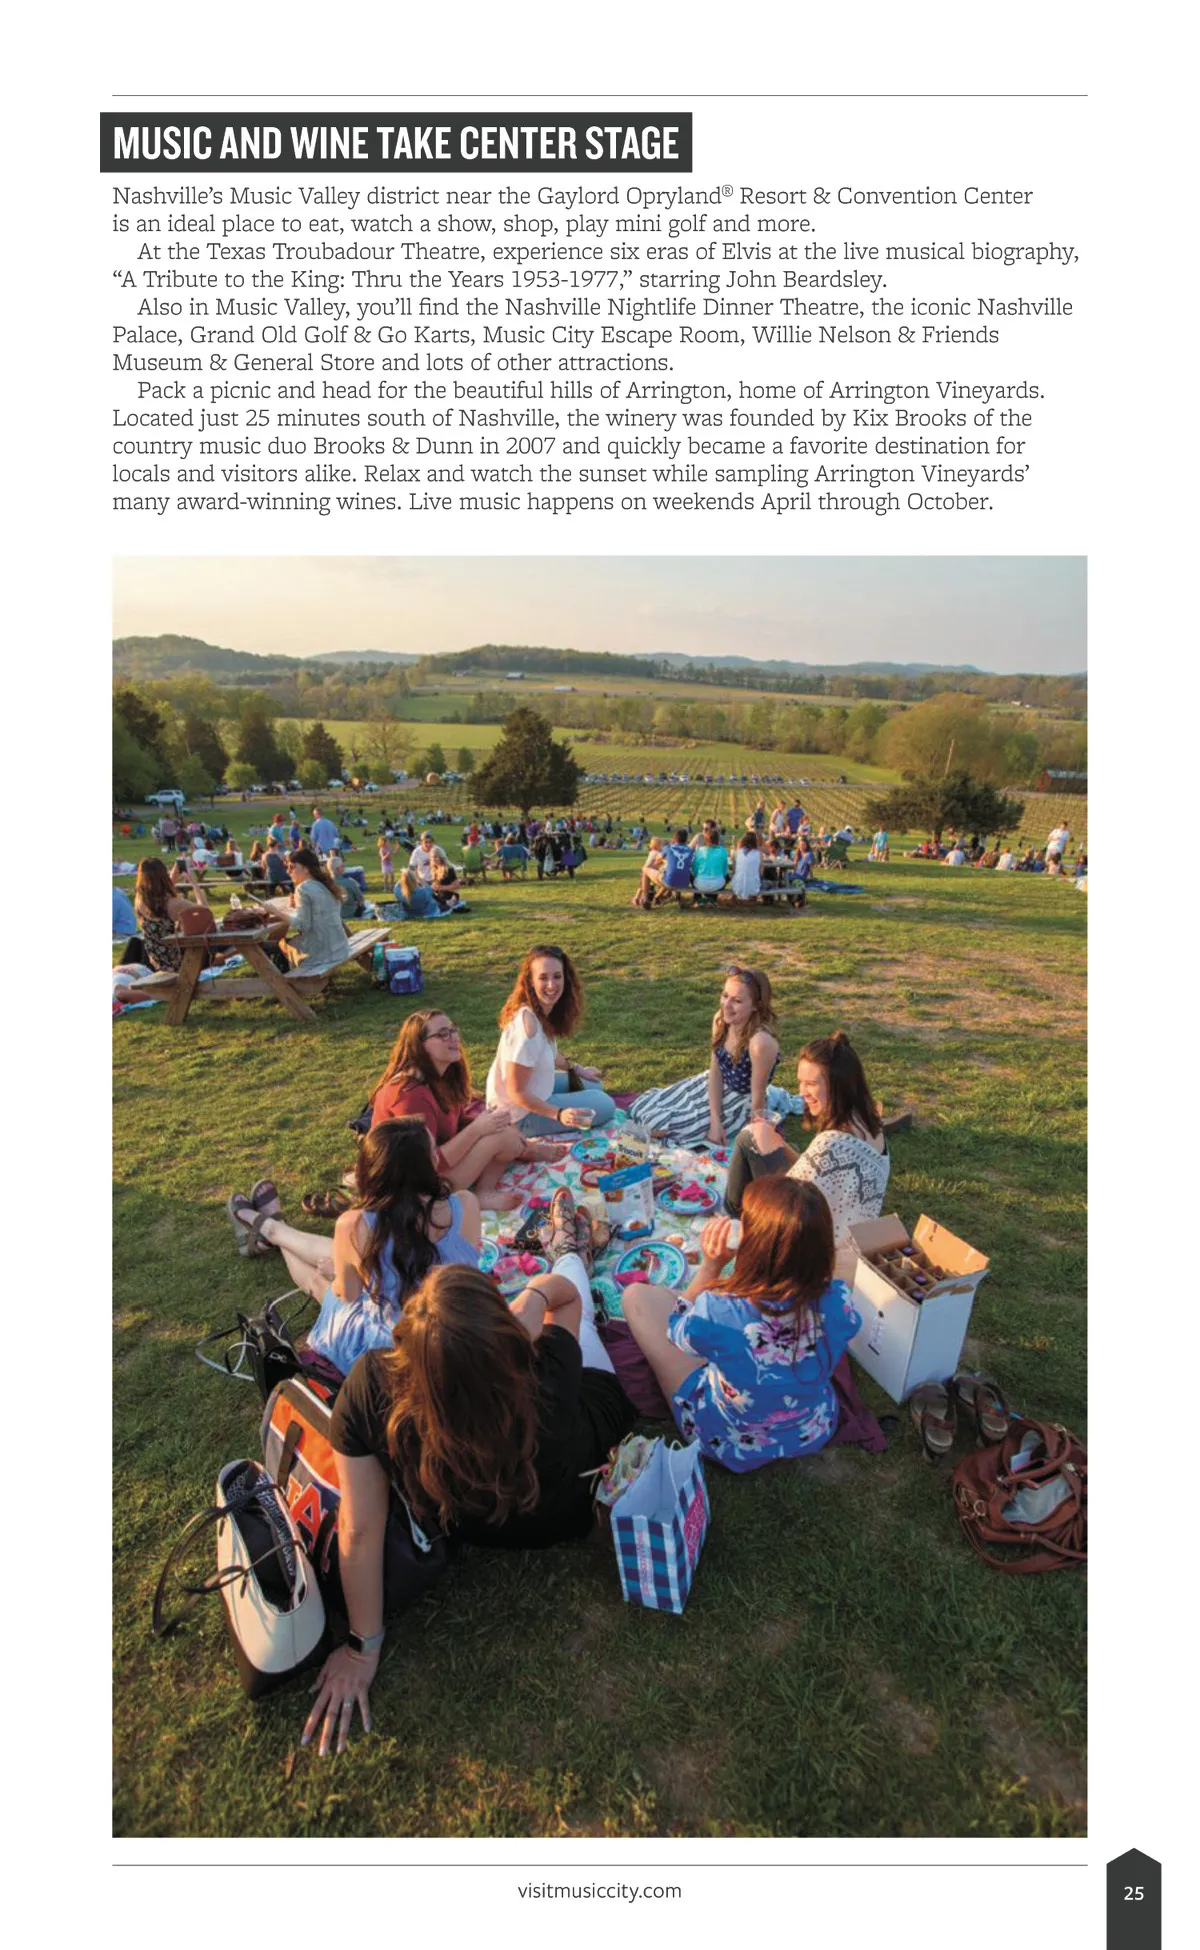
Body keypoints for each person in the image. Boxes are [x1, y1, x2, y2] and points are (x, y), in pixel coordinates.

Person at [297, 1197, 635, 1755]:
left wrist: (363, 1646)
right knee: (573, 1280)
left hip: (472, 1525)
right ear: (506, 1333)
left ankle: (569, 1248)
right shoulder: (545, 1368)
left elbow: (360, 1527)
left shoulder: (370, 1388)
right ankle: (569, 1248)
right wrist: (535, 1295)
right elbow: (567, 1302)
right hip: (573, 1489)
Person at [622, 1175, 860, 1473]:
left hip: (729, 1443)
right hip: (811, 1430)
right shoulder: (839, 1300)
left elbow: (676, 1330)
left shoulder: (719, 1311)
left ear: (753, 1244)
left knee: (635, 1296)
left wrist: (710, 1266)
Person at [227, 1118, 483, 1375]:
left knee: (321, 1283)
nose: (438, 1157)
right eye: (433, 1151)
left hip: (393, 1352)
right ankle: (272, 1228)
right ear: (427, 1165)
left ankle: (273, 1228)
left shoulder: (355, 1224)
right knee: (342, 1252)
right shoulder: (466, 1204)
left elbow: (348, 1294)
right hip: (455, 1335)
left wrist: (336, 1274)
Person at [723, 1031, 890, 1272]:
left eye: (811, 1084)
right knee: (767, 1141)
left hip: (815, 1251)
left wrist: (766, 1146)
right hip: (842, 1232)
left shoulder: (832, 1144)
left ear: (838, 1085)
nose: (801, 1092)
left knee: (747, 1139)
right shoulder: (869, 1122)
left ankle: (734, 1216)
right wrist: (781, 1145)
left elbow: (788, 1200)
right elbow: (822, 1173)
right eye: (800, 1082)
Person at [370, 1009, 566, 1208]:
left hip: (437, 1166)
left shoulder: (443, 1076)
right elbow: (427, 1163)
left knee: (505, 1130)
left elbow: (457, 1122)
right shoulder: (409, 1095)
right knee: (502, 1138)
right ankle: (485, 1192)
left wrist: (492, 1124)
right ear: (420, 1046)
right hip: (415, 1189)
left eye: (453, 1030)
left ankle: (508, 1167)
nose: (453, 1038)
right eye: (442, 1034)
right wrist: (477, 1129)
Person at [629, 964, 780, 1149]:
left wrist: (752, 1132)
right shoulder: (721, 1021)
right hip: (710, 1085)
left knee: (659, 1126)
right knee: (642, 1108)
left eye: (737, 1001)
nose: (727, 1005)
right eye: (725, 996)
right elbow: (715, 1072)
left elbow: (757, 1098)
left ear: (756, 1005)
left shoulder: (760, 1043)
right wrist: (714, 1121)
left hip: (738, 1102)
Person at [486, 945, 616, 1134]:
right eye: (543, 978)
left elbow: (550, 1054)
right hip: (517, 1117)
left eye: (557, 976)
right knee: (605, 1103)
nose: (551, 985)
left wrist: (576, 1070)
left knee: (594, 1085)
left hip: (535, 1091)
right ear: (530, 981)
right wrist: (559, 1114)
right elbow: (516, 1092)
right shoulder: (527, 1028)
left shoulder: (540, 1012)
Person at [264, 846, 350, 972]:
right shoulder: (325, 885)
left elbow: (302, 925)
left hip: (322, 954)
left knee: (277, 945)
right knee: (286, 943)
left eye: (292, 867)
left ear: (306, 868)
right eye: (287, 867)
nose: (288, 871)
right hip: (340, 948)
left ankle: (283, 980)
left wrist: (275, 912)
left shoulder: (303, 888)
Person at [132, 857, 213, 972]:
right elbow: (206, 913)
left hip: (159, 961)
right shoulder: (174, 904)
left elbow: (158, 890)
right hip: (184, 961)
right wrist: (193, 882)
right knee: (225, 946)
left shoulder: (140, 900)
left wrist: (172, 877)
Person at [692, 828, 730, 900]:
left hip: (700, 884)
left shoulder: (700, 850)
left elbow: (695, 870)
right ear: (718, 839)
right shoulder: (723, 851)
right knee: (727, 876)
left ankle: (697, 898)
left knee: (691, 875)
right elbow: (725, 871)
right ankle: (712, 898)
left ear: (705, 839)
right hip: (718, 885)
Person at [632, 835, 667, 908]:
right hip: (649, 871)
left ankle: (637, 897)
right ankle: (643, 898)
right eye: (661, 845)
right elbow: (661, 860)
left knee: (641, 886)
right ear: (658, 846)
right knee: (645, 885)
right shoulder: (657, 853)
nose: (662, 847)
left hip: (646, 869)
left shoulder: (651, 852)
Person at [730, 830, 763, 900]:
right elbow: (761, 872)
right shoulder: (759, 854)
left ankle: (734, 897)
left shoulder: (737, 853)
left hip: (737, 887)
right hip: (754, 888)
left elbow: (734, 869)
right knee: (767, 881)